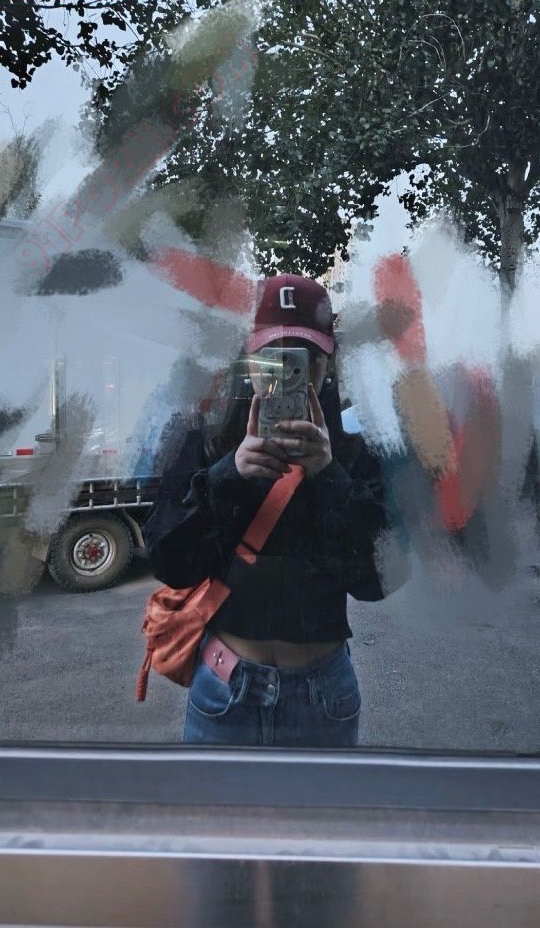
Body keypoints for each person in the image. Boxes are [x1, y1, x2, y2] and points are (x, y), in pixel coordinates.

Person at [143, 274, 387, 747]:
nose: (289, 375)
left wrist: (329, 475)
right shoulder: (208, 440)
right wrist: (229, 475)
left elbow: (377, 581)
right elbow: (169, 562)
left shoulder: (354, 452)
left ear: (327, 364)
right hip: (224, 689)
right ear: (248, 362)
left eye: (305, 358)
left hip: (323, 695)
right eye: (272, 358)